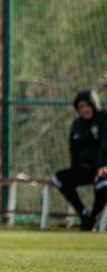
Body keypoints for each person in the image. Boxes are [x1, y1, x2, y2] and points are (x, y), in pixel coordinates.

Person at [51, 90, 107, 231]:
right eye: (81, 107)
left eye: (87, 106)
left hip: (103, 168)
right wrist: (75, 168)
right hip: (85, 168)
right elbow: (74, 149)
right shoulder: (77, 124)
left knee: (103, 183)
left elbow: (105, 147)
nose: (84, 110)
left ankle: (93, 217)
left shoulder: (104, 119)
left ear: (94, 105)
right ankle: (83, 213)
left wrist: (102, 167)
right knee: (59, 178)